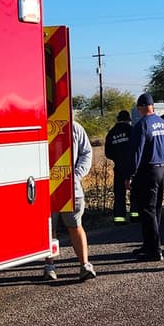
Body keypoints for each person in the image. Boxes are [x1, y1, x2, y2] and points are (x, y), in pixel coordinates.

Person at [45, 119, 96, 281]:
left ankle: (85, 265)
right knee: (49, 229)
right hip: (46, 188)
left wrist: (76, 175)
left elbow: (86, 152)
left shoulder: (74, 127)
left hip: (71, 189)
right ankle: (49, 267)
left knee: (74, 225)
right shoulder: (41, 126)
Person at [128, 93, 164, 261]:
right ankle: (149, 244)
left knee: (147, 211)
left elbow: (136, 153)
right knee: (156, 211)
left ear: (140, 107)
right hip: (161, 170)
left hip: (147, 172)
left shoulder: (142, 125)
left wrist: (130, 174)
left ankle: (154, 250)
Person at [105, 110, 134, 224]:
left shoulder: (112, 133)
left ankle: (119, 219)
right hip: (132, 166)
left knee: (119, 194)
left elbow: (108, 153)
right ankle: (135, 216)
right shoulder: (131, 130)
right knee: (134, 192)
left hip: (119, 167)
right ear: (128, 119)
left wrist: (118, 158)